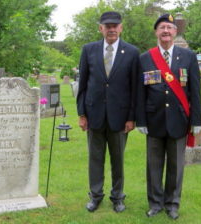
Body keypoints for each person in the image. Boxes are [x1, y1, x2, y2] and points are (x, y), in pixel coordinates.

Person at [136, 14, 201, 220]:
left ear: (175, 32)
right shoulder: (145, 58)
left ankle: (172, 204)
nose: (166, 31)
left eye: (169, 28)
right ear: (156, 32)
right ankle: (155, 204)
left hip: (179, 120)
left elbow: (195, 90)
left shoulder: (188, 56)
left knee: (176, 166)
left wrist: (196, 121)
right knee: (154, 166)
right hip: (154, 120)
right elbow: (140, 92)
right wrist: (141, 120)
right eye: (162, 27)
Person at [76, 11, 139, 213]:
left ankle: (117, 197)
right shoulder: (88, 50)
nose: (111, 29)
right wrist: (82, 114)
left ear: (121, 27)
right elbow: (83, 84)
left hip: (120, 118)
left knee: (118, 160)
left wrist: (131, 117)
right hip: (94, 115)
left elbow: (134, 88)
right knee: (95, 159)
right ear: (100, 28)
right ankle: (95, 196)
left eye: (115, 25)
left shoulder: (131, 52)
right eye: (107, 25)